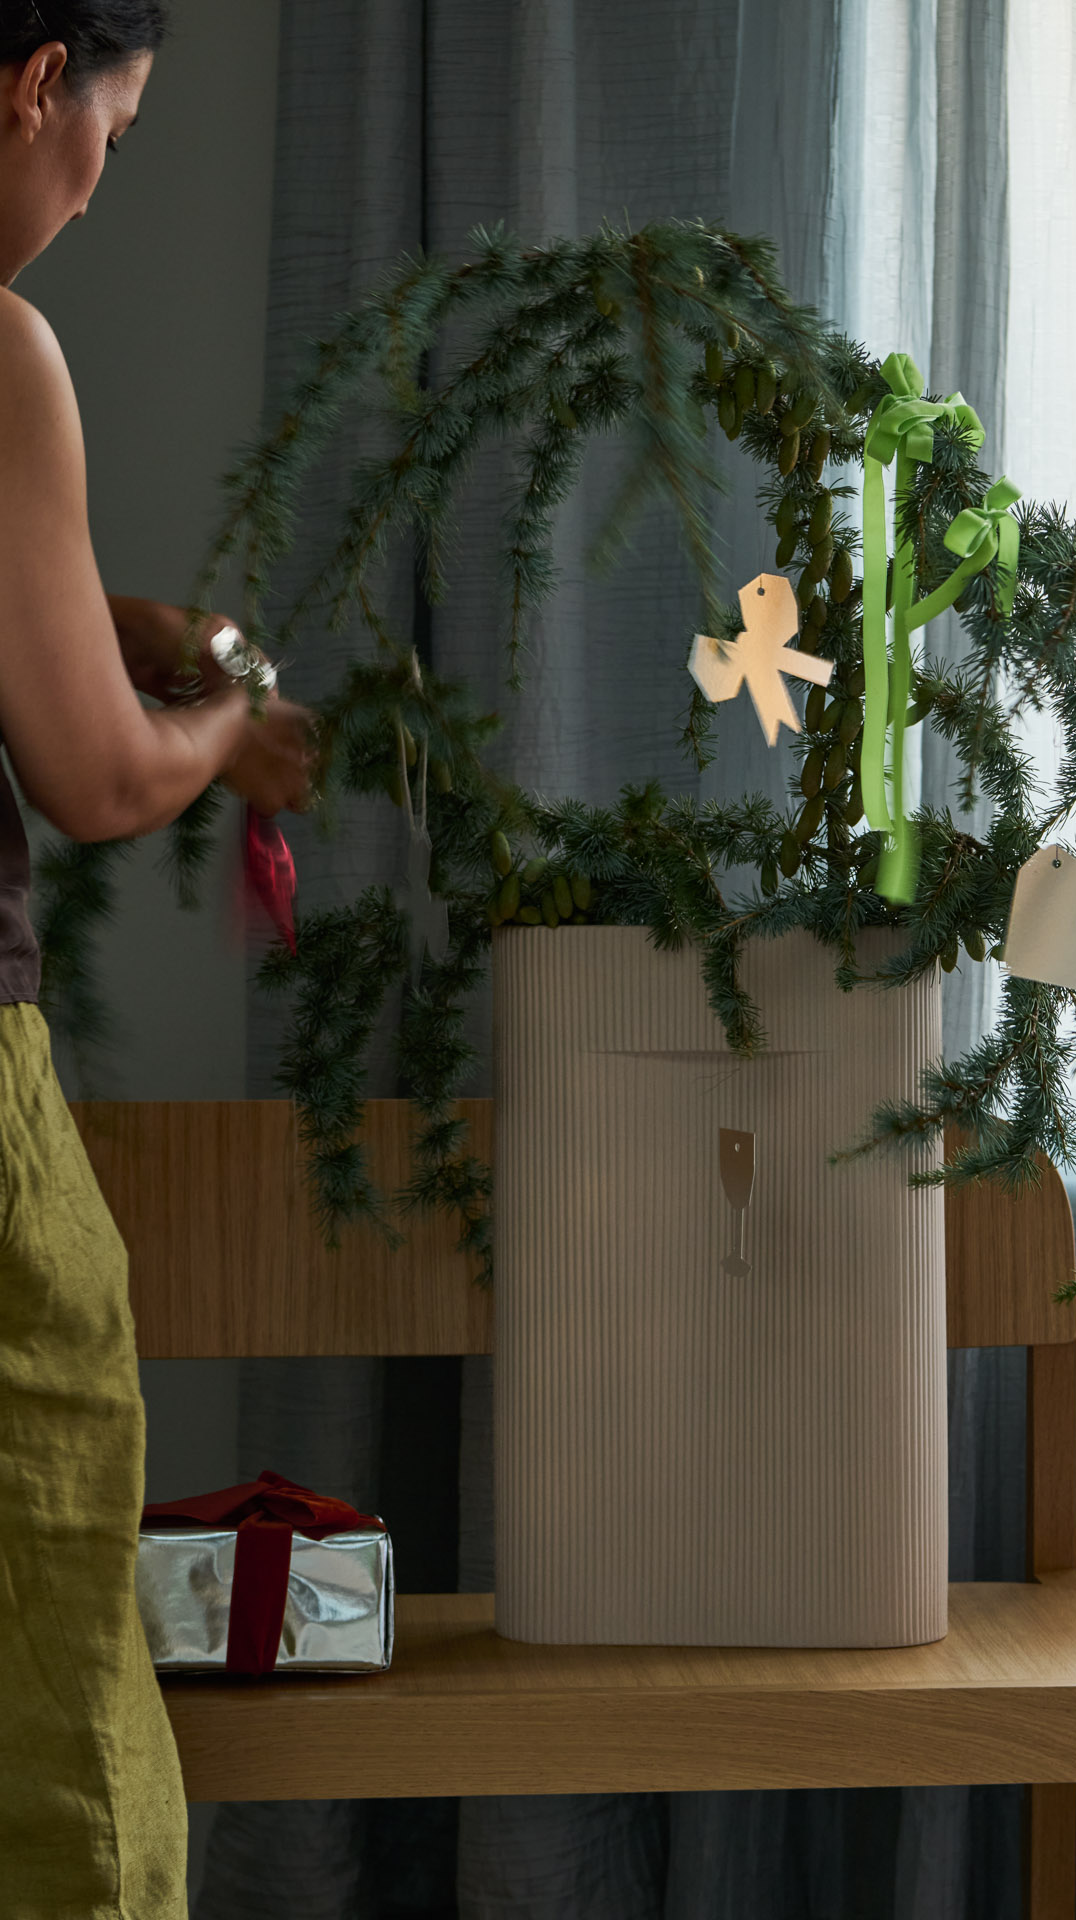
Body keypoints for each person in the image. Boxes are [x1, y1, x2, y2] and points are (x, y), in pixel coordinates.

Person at [0, 5, 313, 1913]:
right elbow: (101, 777)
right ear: (37, 78)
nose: (97, 186)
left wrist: (98, 615)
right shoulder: (1, 352)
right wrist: (231, 725)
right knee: (51, 1659)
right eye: (110, 132)